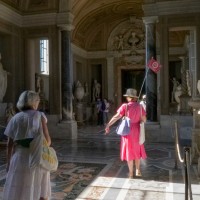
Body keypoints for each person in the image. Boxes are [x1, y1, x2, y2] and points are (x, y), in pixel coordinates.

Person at [3, 90, 51, 200]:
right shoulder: (40, 116)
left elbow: (9, 144)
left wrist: (8, 163)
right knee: (39, 189)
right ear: (34, 102)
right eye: (38, 100)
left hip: (19, 158)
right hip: (37, 158)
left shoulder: (15, 118)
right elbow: (48, 140)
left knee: (19, 190)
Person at [105, 88, 147, 178]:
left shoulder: (125, 106)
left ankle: (131, 173)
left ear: (128, 97)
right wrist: (139, 118)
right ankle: (137, 170)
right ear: (135, 98)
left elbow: (116, 117)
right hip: (137, 131)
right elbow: (144, 119)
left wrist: (108, 125)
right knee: (137, 151)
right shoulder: (140, 107)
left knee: (129, 152)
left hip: (127, 131)